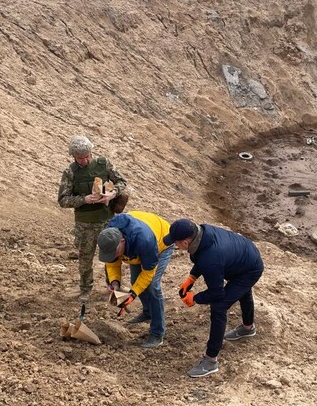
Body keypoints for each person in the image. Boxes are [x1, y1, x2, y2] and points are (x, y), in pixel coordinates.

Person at [163, 219, 264, 378]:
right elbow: (200, 255)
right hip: (244, 256)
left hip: (249, 269)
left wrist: (195, 298)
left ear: (185, 241)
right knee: (242, 291)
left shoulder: (211, 257)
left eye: (176, 243)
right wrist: (192, 277)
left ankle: (210, 361)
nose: (175, 245)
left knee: (219, 306)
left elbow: (217, 293)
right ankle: (247, 328)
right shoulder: (202, 233)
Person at [57, 135, 127, 303]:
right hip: (85, 223)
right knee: (85, 257)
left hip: (106, 220)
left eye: (88, 156)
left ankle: (113, 285)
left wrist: (112, 193)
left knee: (112, 253)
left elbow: (122, 182)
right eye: (81, 158)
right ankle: (85, 289)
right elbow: (63, 200)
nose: (86, 160)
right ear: (73, 156)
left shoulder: (104, 164)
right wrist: (84, 199)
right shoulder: (70, 172)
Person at [96, 211, 174, 349]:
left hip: (161, 242)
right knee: (135, 281)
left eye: (114, 252)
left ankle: (157, 333)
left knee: (152, 286)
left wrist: (132, 295)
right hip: (135, 245)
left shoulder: (145, 241)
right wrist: (115, 282)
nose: (112, 255)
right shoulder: (109, 236)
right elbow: (112, 262)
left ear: (122, 241)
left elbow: (148, 273)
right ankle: (147, 312)